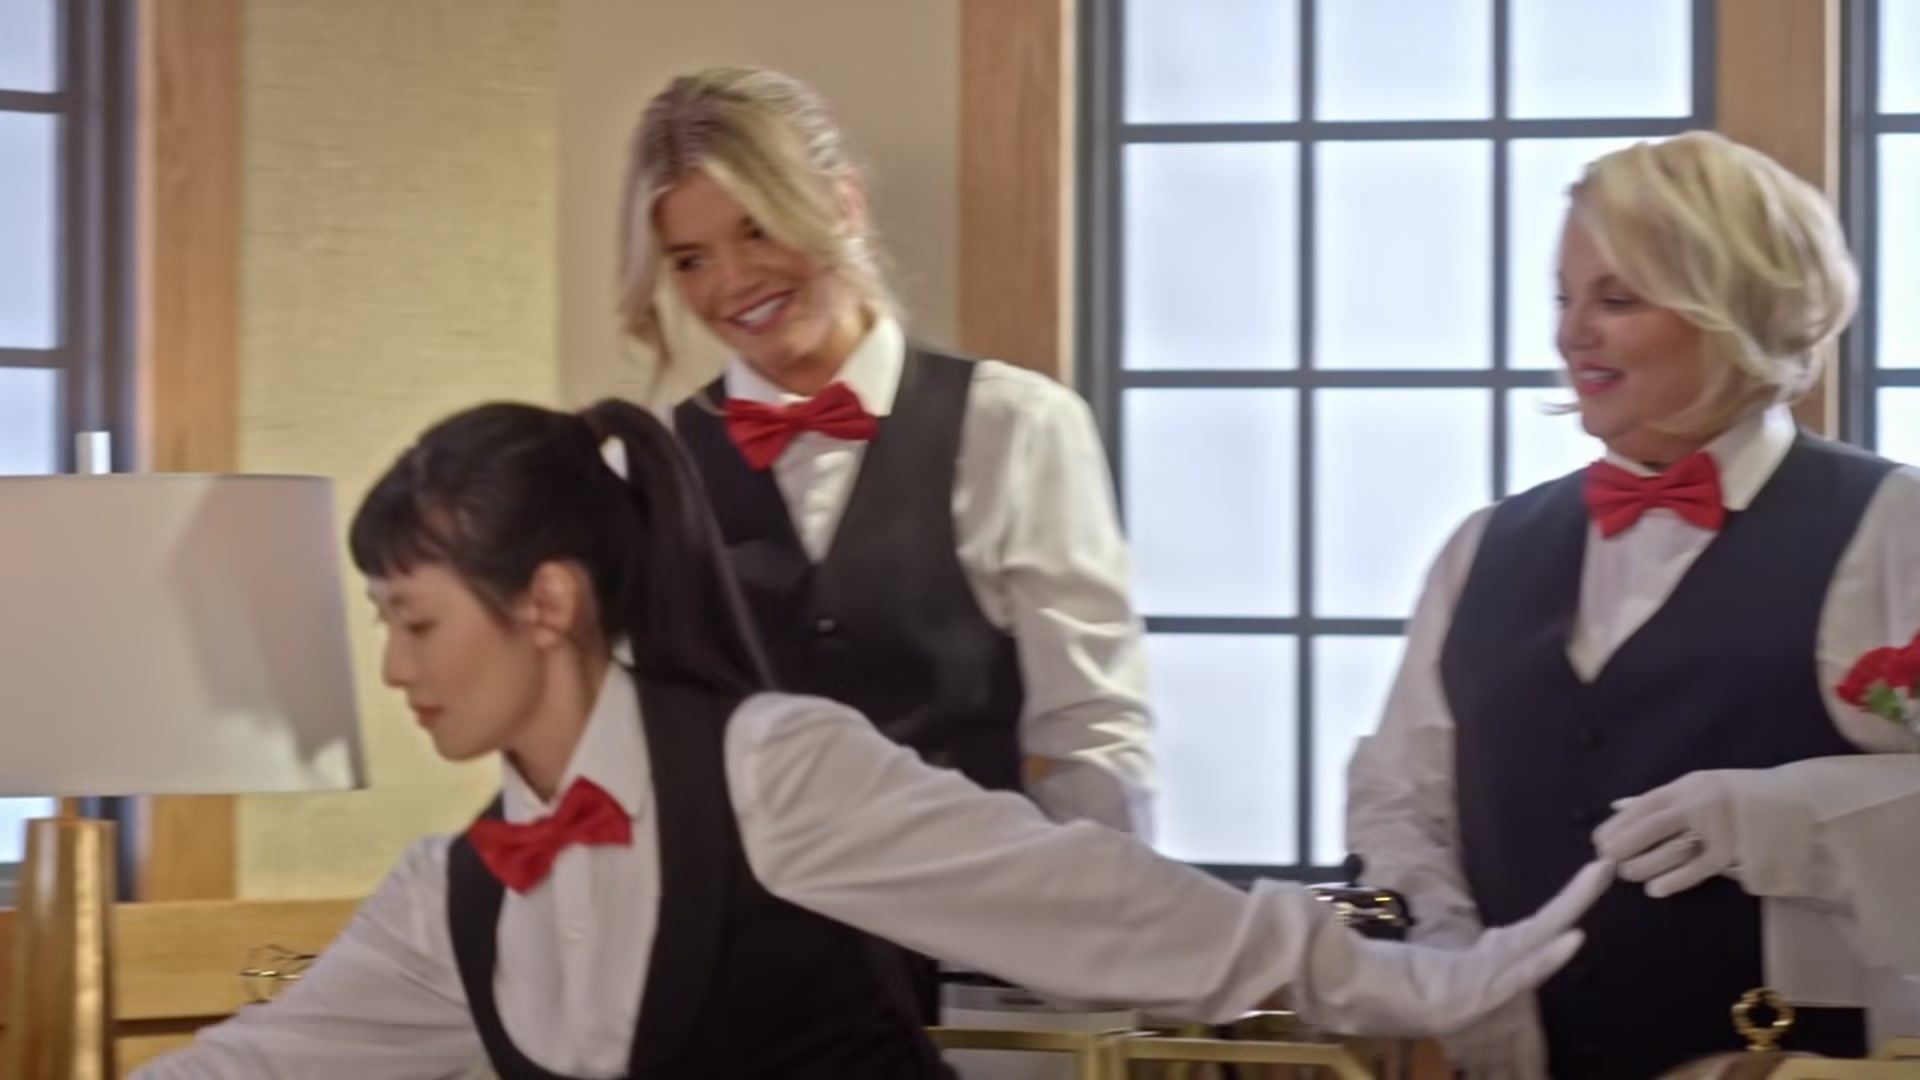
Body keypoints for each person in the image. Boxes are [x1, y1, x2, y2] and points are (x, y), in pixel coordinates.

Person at [135, 399, 1609, 1079]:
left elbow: (1102, 907)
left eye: (414, 621)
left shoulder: (770, 769)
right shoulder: (448, 897)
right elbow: (254, 1067)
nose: (393, 669)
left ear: (549, 603)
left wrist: (1411, 982)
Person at [1345, 129, 1920, 1080]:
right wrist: (1456, 969)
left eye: (1617, 300)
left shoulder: (1895, 526)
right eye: (1564, 299)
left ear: (1736, 308)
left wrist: (1793, 815)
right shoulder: (1481, 548)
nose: (1573, 333)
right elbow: (1402, 799)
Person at [618, 67, 1153, 842]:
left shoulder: (1014, 427)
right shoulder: (653, 463)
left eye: (757, 229)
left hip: (973, 901)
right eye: (690, 260)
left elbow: (1093, 732)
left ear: (845, 204)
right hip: (738, 913)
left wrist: (1103, 908)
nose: (733, 282)